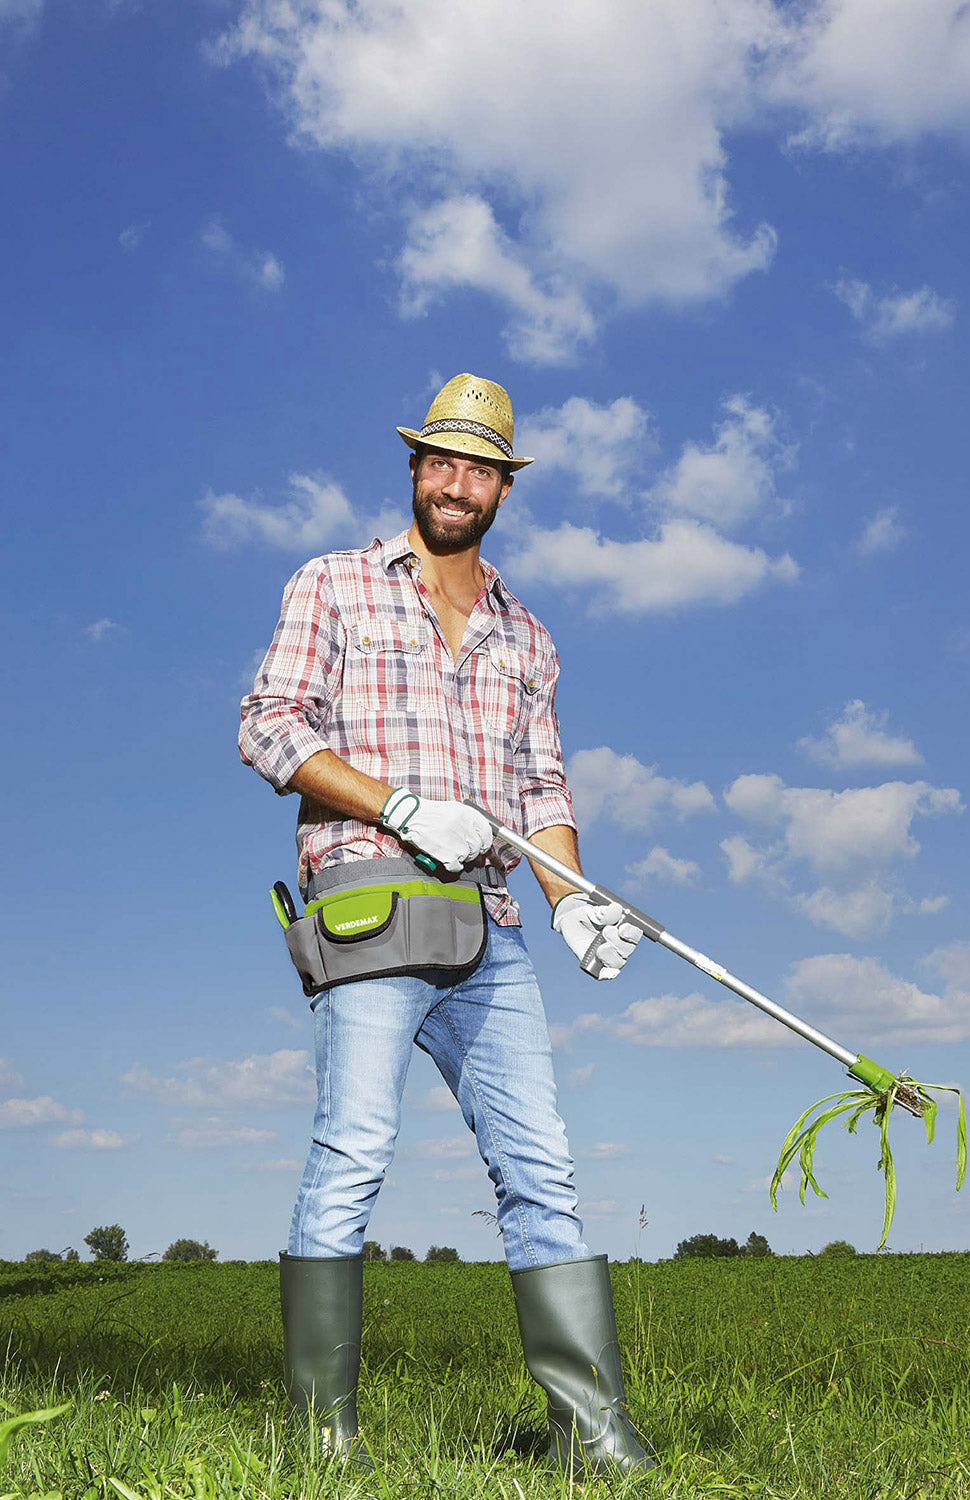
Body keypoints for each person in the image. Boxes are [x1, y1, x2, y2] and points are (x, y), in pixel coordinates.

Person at [239, 373, 654, 1478]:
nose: (457, 483)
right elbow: (268, 727)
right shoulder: (335, 583)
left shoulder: (530, 637)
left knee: (541, 1171)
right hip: (370, 902)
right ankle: (323, 1442)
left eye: (479, 468)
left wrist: (573, 902)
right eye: (441, 461)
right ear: (415, 469)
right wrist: (402, 806)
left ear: (504, 489)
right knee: (351, 1156)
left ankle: (590, 1436)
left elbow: (541, 789)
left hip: (490, 927)